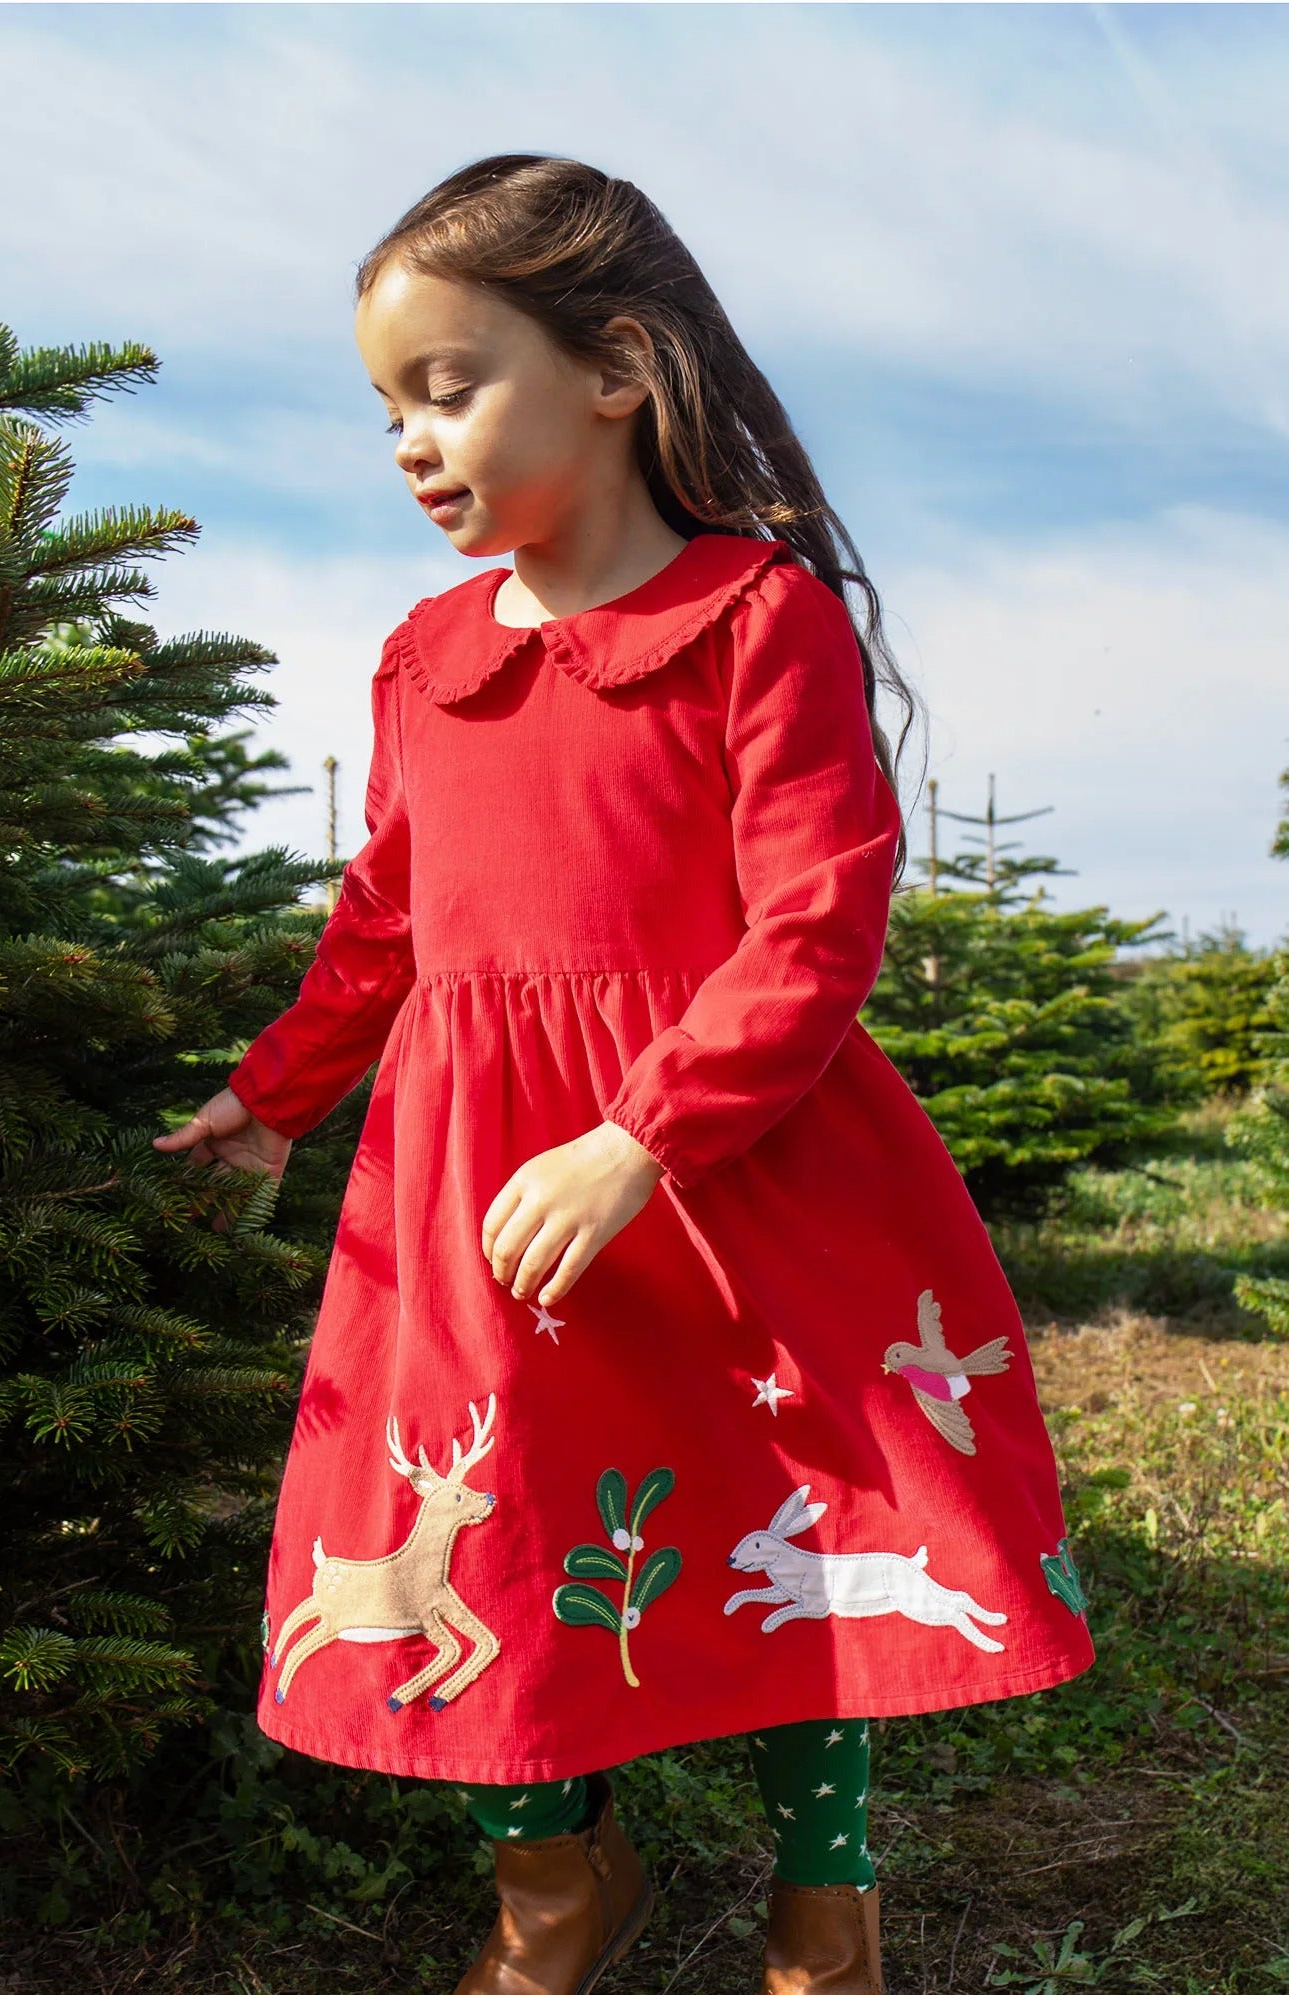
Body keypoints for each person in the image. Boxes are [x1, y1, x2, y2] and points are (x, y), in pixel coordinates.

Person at [153, 153, 1094, 1995]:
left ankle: (826, 1903)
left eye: (448, 388)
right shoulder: (425, 660)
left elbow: (815, 922)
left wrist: (639, 1135)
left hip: (725, 1165)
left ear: (614, 368)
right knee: (482, 1521)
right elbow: (385, 921)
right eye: (386, 409)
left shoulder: (753, 616)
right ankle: (555, 1888)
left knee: (793, 1512)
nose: (410, 443)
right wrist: (275, 1093)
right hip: (475, 1181)